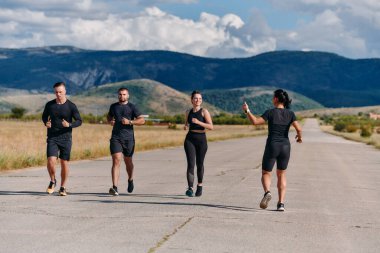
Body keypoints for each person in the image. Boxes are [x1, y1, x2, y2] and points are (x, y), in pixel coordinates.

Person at [242, 89, 302, 211]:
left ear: (275, 99)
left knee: (266, 173)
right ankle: (281, 204)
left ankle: (267, 192)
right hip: (285, 146)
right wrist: (299, 138)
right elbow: (299, 129)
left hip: (272, 145)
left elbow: (255, 122)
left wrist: (247, 111)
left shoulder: (270, 112)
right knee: (281, 174)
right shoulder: (290, 114)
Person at [42, 82, 82, 196]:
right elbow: (44, 116)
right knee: (51, 161)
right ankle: (52, 180)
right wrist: (46, 122)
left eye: (60, 92)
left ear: (65, 92)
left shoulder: (71, 106)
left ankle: (63, 187)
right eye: (56, 92)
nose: (58, 94)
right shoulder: (49, 105)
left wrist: (69, 125)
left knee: (64, 163)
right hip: (52, 137)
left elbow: (79, 121)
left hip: (66, 138)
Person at [107, 87, 145, 196]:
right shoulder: (113, 106)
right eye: (120, 94)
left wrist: (130, 122)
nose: (122, 96)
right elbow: (109, 116)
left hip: (128, 139)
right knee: (116, 160)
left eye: (124, 94)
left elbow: (142, 120)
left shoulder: (132, 107)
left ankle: (130, 179)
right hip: (116, 138)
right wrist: (110, 121)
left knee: (128, 161)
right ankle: (114, 187)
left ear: (128, 96)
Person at [184, 90, 213, 197]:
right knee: (190, 164)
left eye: (200, 98)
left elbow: (211, 127)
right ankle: (190, 188)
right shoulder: (188, 112)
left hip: (201, 139)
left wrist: (199, 122)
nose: (198, 100)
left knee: (199, 164)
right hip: (190, 139)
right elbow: (186, 124)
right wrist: (186, 126)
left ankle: (199, 185)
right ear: (192, 100)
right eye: (196, 98)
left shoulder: (204, 112)